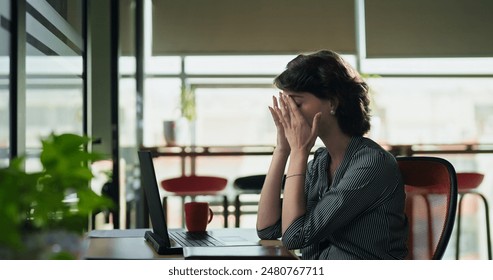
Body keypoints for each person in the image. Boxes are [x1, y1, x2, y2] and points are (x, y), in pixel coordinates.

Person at [256, 50, 408, 260]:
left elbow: (294, 237)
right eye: (286, 104)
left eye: (297, 104)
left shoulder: (371, 164)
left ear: (333, 103)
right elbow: (268, 229)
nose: (290, 113)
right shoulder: (319, 163)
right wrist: (282, 150)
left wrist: (299, 152)